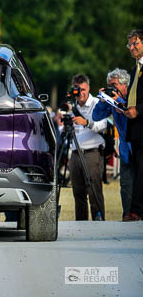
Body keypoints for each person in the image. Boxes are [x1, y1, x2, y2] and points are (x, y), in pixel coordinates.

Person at [62, 74, 107, 221]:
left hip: (92, 152)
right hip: (75, 153)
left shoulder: (96, 103)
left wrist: (86, 122)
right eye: (77, 89)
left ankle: (99, 224)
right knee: (78, 193)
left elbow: (103, 126)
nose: (80, 93)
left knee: (94, 191)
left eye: (83, 89)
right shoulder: (71, 105)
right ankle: (80, 225)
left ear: (88, 88)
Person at [92, 68, 134, 218]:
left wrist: (119, 101)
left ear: (125, 85)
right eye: (109, 85)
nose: (112, 88)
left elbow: (132, 115)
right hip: (125, 151)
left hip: (138, 148)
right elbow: (96, 116)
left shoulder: (134, 97)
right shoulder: (111, 101)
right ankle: (127, 215)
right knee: (126, 187)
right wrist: (104, 100)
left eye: (114, 85)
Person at [123, 29, 143, 221]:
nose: (132, 47)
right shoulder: (135, 68)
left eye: (135, 43)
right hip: (136, 128)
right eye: (130, 44)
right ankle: (136, 210)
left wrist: (138, 110)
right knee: (138, 167)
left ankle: (136, 210)